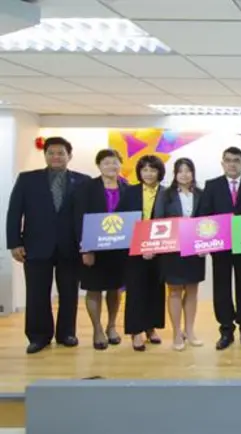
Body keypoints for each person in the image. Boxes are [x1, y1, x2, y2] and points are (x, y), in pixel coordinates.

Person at [6, 137, 90, 354]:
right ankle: (38, 336)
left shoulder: (83, 181)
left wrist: (88, 245)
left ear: (69, 156)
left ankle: (66, 333)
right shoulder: (27, 179)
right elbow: (14, 212)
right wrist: (14, 242)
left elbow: (89, 216)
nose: (56, 157)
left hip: (71, 246)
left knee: (69, 293)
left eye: (61, 153)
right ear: (45, 155)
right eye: (51, 153)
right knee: (37, 294)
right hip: (35, 245)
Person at [198, 147, 241, 350]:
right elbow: (204, 214)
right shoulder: (212, 185)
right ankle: (226, 329)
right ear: (222, 163)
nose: (232, 164)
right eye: (228, 160)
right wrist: (202, 241)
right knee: (221, 287)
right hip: (220, 246)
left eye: (236, 160)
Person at [73, 149, 127, 350]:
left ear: (120, 164)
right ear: (99, 166)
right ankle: (97, 329)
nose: (111, 166)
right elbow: (79, 218)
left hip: (119, 248)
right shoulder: (87, 187)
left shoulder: (127, 188)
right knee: (94, 288)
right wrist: (85, 248)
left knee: (115, 288)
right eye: (106, 163)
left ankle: (111, 326)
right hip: (94, 248)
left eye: (115, 162)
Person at [153, 158, 205, 351]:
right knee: (174, 291)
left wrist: (206, 244)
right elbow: (158, 220)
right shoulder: (165, 194)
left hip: (195, 249)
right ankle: (177, 332)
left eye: (188, 170)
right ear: (175, 174)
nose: (184, 174)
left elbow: (208, 220)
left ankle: (189, 330)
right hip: (172, 249)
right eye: (180, 171)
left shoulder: (201, 194)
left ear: (193, 173)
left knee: (192, 290)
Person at [116, 155, 166, 351]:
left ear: (159, 172)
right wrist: (140, 245)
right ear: (139, 172)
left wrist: (154, 246)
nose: (149, 174)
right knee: (136, 289)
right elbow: (121, 218)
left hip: (160, 247)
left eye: (153, 170)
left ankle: (150, 328)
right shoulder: (130, 192)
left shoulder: (166, 192)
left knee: (155, 289)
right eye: (144, 170)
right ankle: (136, 331)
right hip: (134, 248)